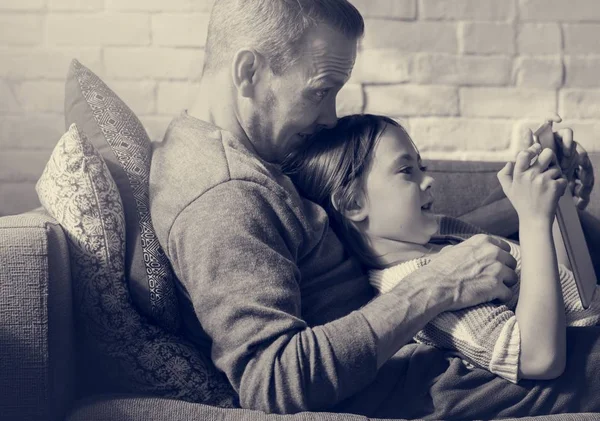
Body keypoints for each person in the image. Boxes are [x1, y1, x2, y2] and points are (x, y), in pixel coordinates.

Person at [148, 0, 598, 419]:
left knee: (586, 227)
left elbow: (388, 237)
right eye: (320, 91)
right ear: (249, 71)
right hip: (457, 377)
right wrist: (435, 285)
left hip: (463, 346)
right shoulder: (225, 198)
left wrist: (538, 198)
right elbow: (272, 383)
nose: (330, 117)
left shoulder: (255, 151)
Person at [283, 113, 600, 386]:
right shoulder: (413, 290)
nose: (429, 179)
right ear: (353, 203)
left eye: (422, 166)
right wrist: (532, 219)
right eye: (407, 170)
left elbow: (563, 287)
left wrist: (558, 207)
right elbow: (536, 357)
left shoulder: (444, 231)